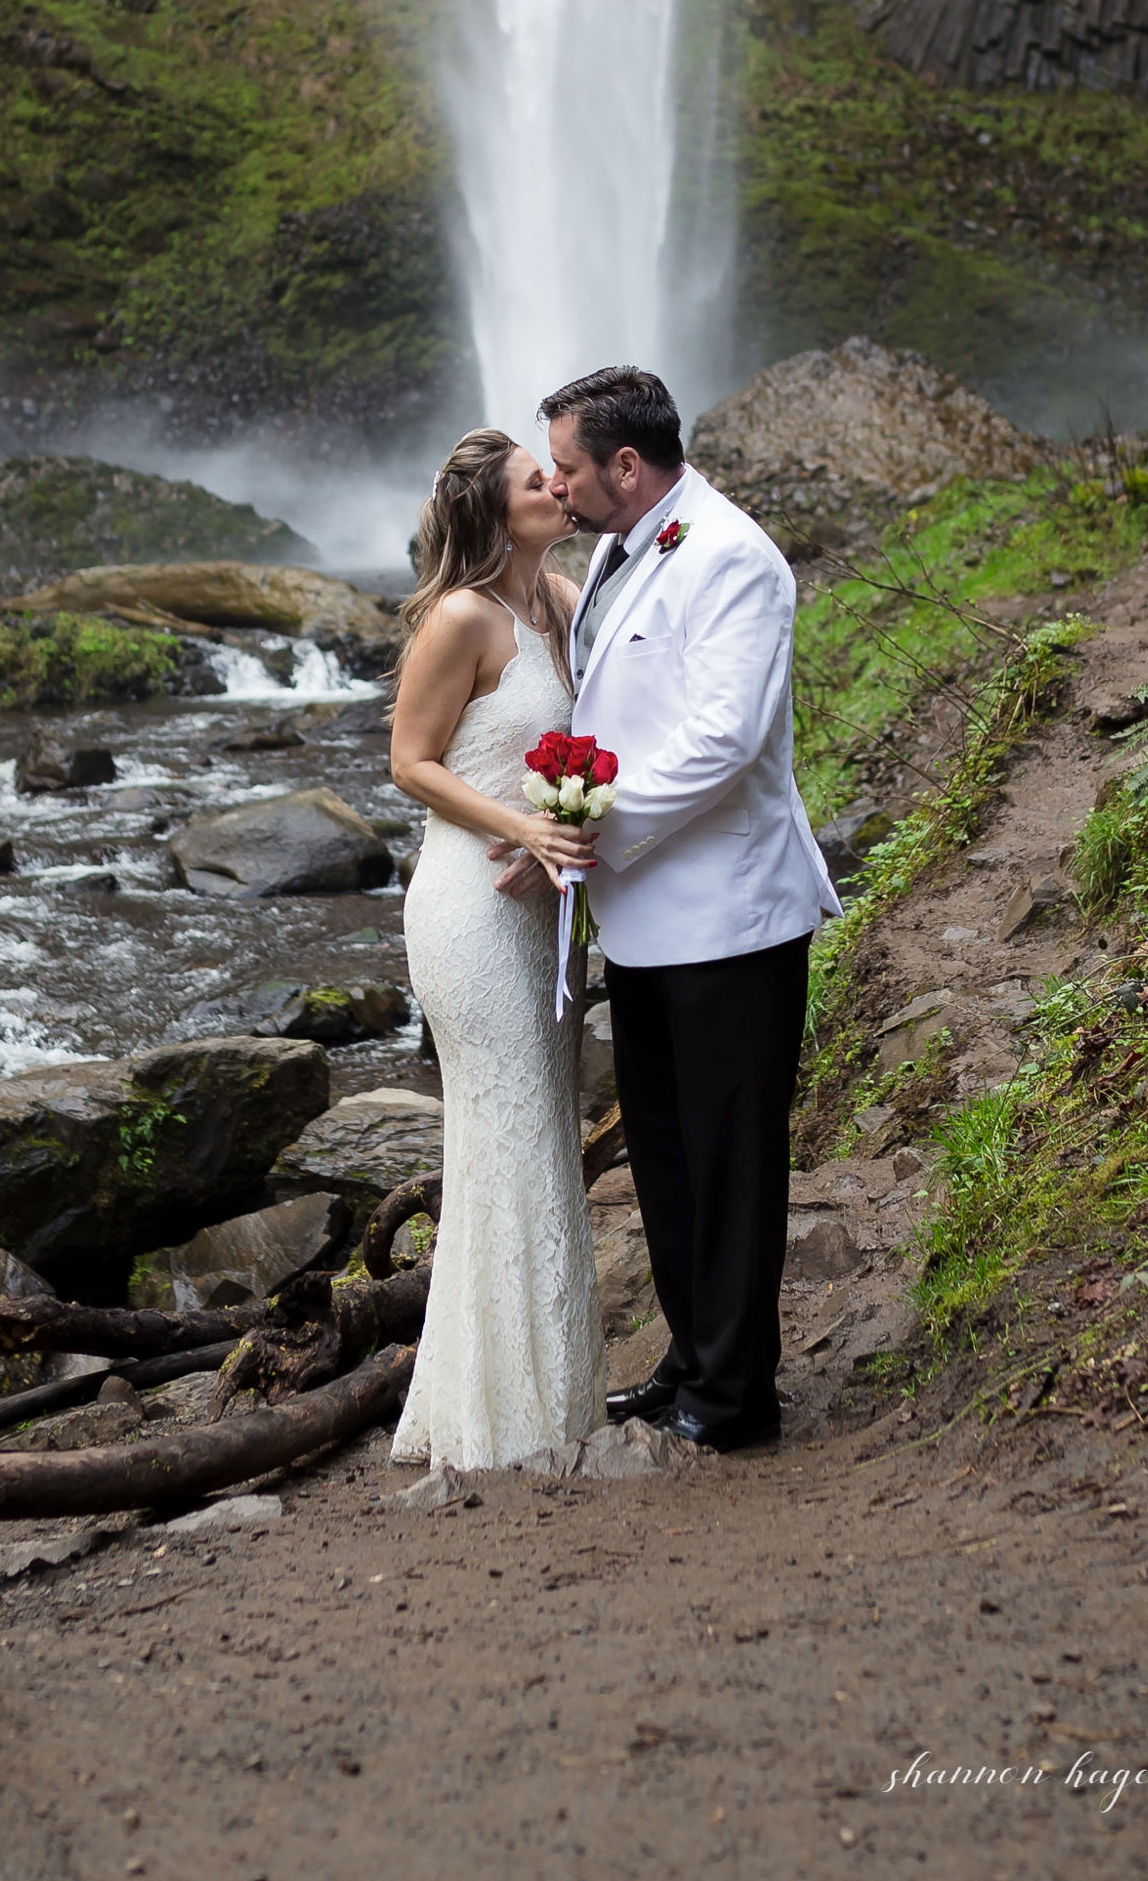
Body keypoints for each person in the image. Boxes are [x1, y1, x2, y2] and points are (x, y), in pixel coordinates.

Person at [539, 364, 842, 1452]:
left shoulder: (730, 557)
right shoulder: (619, 551)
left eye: (566, 466)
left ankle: (735, 1396)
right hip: (646, 918)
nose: (553, 484)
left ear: (626, 465)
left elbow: (724, 737)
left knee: (731, 1158)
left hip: (727, 918)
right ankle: (688, 1359)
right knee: (664, 1153)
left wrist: (594, 827)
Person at [385, 428, 605, 1471]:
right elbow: (409, 762)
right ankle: (503, 1422)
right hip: (468, 911)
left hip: (542, 908)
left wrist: (570, 822)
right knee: (506, 1128)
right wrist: (521, 828)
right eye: (535, 480)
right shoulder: (460, 618)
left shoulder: (560, 602)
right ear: (491, 510)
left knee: (538, 1132)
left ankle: (542, 1393)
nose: (557, 485)